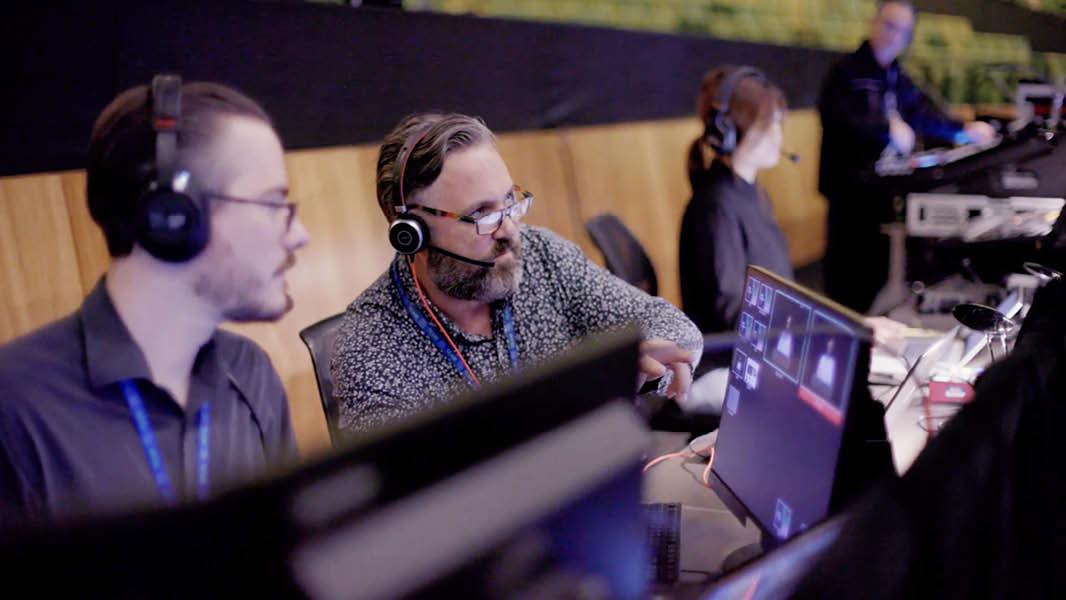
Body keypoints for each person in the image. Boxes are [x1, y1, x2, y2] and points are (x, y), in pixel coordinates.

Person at [0, 76, 310, 524]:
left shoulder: (251, 375)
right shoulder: (15, 410)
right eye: (272, 205)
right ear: (172, 217)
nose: (299, 234)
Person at [331, 112, 703, 433]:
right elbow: (412, 495)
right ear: (412, 233)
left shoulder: (541, 254)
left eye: (510, 202)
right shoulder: (370, 343)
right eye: (483, 214)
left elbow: (671, 325)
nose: (509, 229)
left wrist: (644, 363)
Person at [818, 0, 995, 313]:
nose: (894, 35)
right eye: (889, 25)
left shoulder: (897, 77)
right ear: (875, 23)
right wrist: (887, 130)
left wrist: (963, 130)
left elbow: (922, 113)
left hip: (881, 192)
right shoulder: (844, 71)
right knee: (845, 278)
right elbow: (839, 121)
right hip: (848, 191)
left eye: (903, 31)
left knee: (874, 273)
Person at [679, 65, 793, 336]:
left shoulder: (750, 192)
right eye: (766, 126)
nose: (778, 136)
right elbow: (731, 311)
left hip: (771, 340)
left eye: (778, 123)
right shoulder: (717, 206)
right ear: (727, 132)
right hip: (734, 361)